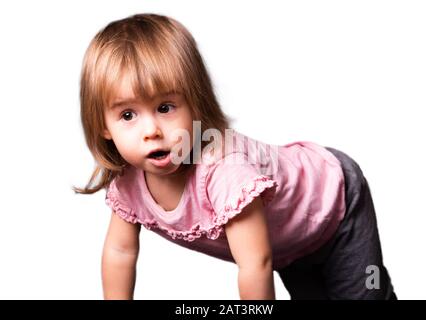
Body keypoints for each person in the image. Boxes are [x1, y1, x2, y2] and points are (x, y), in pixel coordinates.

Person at [73, 13, 397, 300]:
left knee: (366, 295)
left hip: (333, 200)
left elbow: (256, 264)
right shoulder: (129, 184)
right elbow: (119, 251)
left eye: (165, 108)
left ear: (196, 103)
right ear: (103, 125)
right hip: (292, 240)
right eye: (128, 115)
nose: (151, 130)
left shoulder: (224, 170)